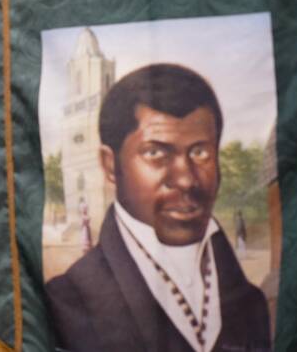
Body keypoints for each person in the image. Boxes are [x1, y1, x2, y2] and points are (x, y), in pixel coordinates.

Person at [45, 63, 270, 352]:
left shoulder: (251, 303)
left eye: (200, 152)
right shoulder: (68, 302)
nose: (186, 179)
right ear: (110, 165)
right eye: (155, 153)